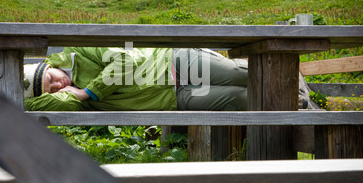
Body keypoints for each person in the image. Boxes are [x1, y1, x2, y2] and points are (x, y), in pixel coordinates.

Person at [24, 46, 249, 111]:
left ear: (49, 65)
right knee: (242, 99)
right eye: (51, 90)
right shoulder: (73, 100)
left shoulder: (78, 51)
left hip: (172, 63)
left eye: (51, 77)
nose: (58, 85)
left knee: (241, 75)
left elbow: (126, 61)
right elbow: (33, 105)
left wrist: (88, 92)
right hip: (172, 97)